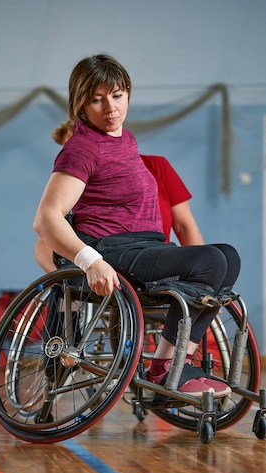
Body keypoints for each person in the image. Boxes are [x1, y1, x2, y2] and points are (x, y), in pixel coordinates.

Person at [33, 54, 241, 397]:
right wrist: (90, 261)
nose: (110, 107)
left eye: (116, 95)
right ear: (80, 105)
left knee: (228, 257)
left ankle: (171, 364)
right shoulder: (81, 148)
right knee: (212, 261)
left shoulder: (124, 139)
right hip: (112, 248)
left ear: (128, 93)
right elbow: (46, 219)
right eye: (97, 100)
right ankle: (164, 369)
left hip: (142, 244)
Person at [35, 120, 204, 271]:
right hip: (107, 266)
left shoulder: (156, 167)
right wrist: (83, 270)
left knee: (215, 260)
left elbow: (184, 226)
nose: (78, 158)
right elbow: (45, 244)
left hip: (154, 260)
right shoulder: (71, 186)